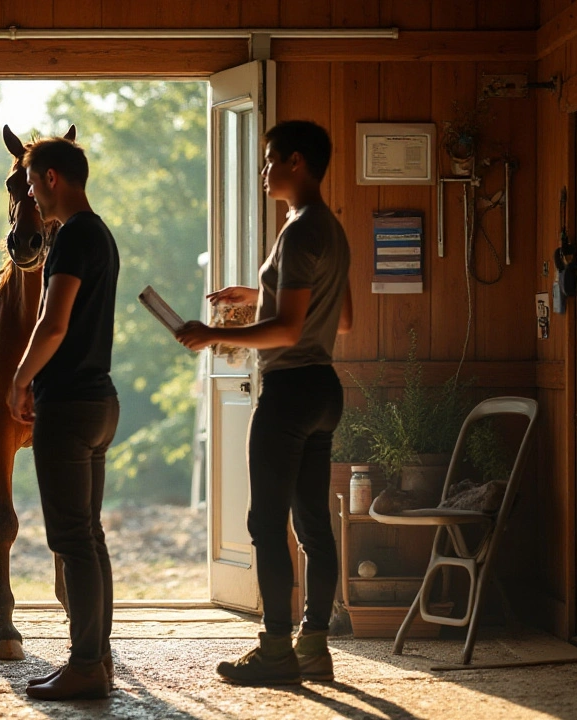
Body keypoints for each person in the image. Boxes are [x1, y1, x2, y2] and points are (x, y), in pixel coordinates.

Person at [176, 120, 353, 686]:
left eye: (270, 158)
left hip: (291, 391)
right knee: (313, 525)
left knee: (265, 521)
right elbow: (341, 318)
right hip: (324, 389)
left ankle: (276, 649)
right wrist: (258, 295)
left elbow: (286, 331)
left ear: (296, 162)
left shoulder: (300, 231)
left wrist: (214, 335)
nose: (264, 170)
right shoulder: (330, 228)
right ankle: (314, 646)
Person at [7, 135, 120, 701]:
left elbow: (53, 323)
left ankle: (83, 666)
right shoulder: (101, 234)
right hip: (101, 400)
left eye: (31, 183)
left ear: (52, 178)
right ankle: (97, 660)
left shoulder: (73, 236)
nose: (31, 194)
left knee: (72, 541)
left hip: (70, 405)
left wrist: (21, 378)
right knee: (89, 537)